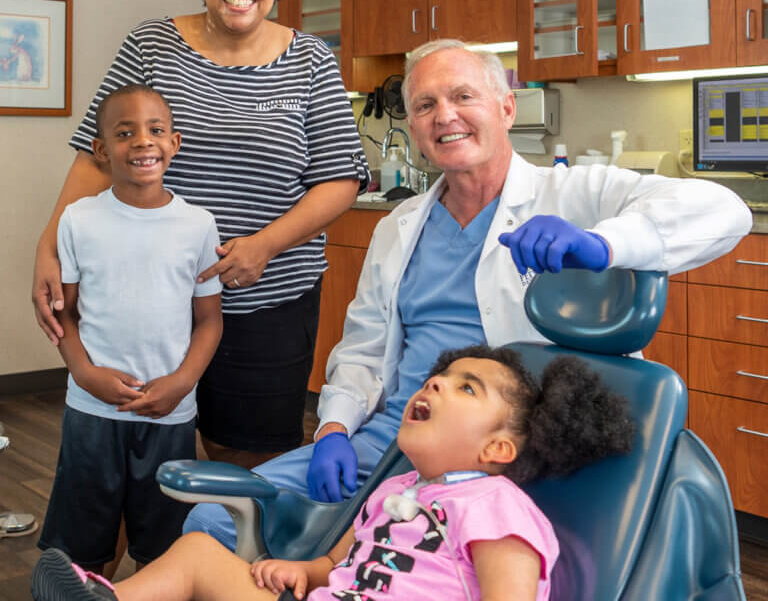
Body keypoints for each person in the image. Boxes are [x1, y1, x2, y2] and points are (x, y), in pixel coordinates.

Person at [184, 37, 752, 549]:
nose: (445, 116)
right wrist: (333, 427)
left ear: (506, 107)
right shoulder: (398, 226)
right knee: (215, 520)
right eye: (426, 106)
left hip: (499, 456)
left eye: (462, 96)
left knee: (397, 558)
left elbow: (724, 211)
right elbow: (362, 348)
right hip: (390, 442)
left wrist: (599, 245)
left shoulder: (572, 193)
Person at [31, 0, 370, 470]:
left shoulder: (310, 60)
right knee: (129, 444)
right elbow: (95, 158)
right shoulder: (150, 47)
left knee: (246, 456)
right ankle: (109, 561)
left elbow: (340, 178)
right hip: (148, 294)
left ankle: (236, 560)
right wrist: (49, 247)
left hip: (269, 300)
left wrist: (264, 245)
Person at [31, 344, 635, 601]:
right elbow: (337, 564)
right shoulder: (396, 488)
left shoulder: (494, 506)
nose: (435, 384)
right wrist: (302, 568)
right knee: (200, 556)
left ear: (498, 449)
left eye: (466, 388)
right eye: (440, 377)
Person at [37, 85, 223, 575]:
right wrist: (84, 373)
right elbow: (66, 315)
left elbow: (209, 320)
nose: (143, 142)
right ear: (101, 150)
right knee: (82, 547)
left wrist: (182, 383)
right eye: (125, 133)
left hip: (170, 414)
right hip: (92, 411)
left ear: (175, 142)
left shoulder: (199, 225)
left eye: (156, 130)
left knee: (163, 547)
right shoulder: (78, 221)